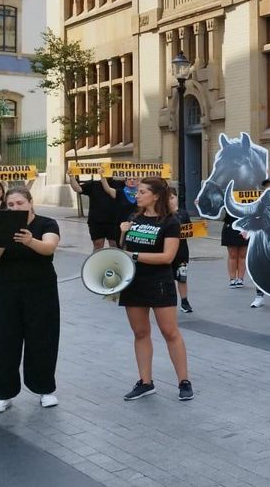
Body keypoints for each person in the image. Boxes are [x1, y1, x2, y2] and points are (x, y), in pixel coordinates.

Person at [0, 187, 61, 413]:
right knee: (2, 340)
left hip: (41, 289)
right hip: (7, 289)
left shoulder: (46, 224)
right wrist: (4, 237)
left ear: (30, 203)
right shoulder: (0, 223)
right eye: (11, 204)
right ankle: (2, 394)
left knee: (42, 338)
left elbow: (49, 247)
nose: (15, 208)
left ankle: (45, 389)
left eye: (20, 203)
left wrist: (29, 240)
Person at [118, 177, 192, 402]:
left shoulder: (170, 222)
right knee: (140, 333)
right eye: (137, 192)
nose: (137, 195)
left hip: (160, 282)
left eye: (141, 192)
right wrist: (122, 232)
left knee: (170, 332)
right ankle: (145, 382)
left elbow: (167, 257)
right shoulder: (133, 218)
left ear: (156, 196)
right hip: (134, 283)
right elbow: (122, 250)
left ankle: (184, 381)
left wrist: (136, 256)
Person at [68, 171, 123, 252]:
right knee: (98, 245)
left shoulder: (119, 184)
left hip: (114, 222)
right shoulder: (93, 184)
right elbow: (78, 188)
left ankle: (115, 263)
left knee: (114, 245)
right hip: (96, 222)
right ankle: (96, 263)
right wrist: (71, 177)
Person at [248, 178, 270, 307]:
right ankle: (259, 296)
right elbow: (252, 218)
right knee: (259, 267)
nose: (269, 187)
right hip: (262, 239)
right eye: (266, 186)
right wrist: (247, 230)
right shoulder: (259, 202)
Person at [171, 192, 193, 314]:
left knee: (182, 277)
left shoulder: (183, 213)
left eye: (172, 198)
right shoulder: (162, 214)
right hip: (166, 251)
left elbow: (190, 229)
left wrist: (201, 228)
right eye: (167, 198)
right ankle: (169, 300)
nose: (170, 200)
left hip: (182, 251)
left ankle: (184, 301)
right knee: (167, 277)